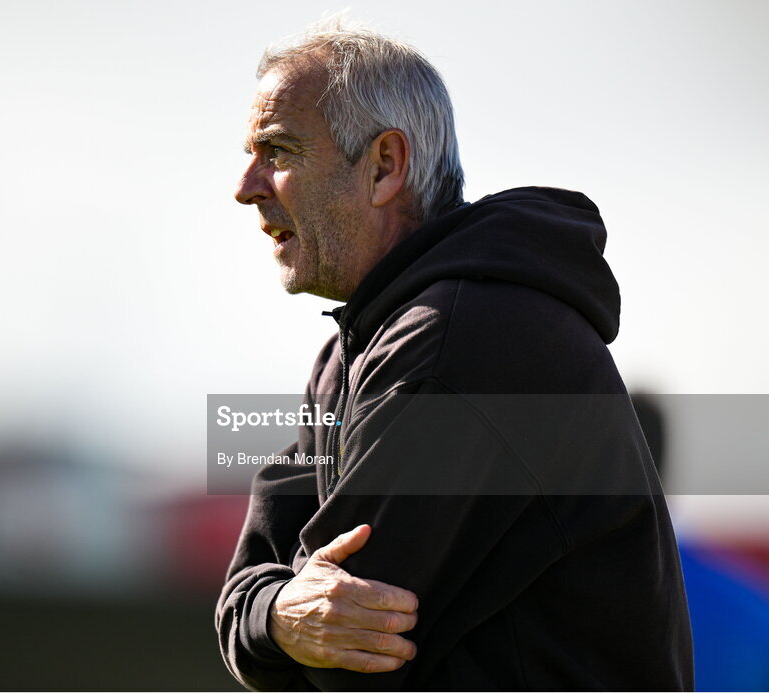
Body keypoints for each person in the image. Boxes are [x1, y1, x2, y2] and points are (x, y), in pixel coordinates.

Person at [216, 19, 694, 691]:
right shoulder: (352, 352)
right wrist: (276, 615)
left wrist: (277, 619)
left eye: (278, 150)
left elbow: (347, 659)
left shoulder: (463, 339)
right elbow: (253, 601)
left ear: (385, 165)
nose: (246, 185)